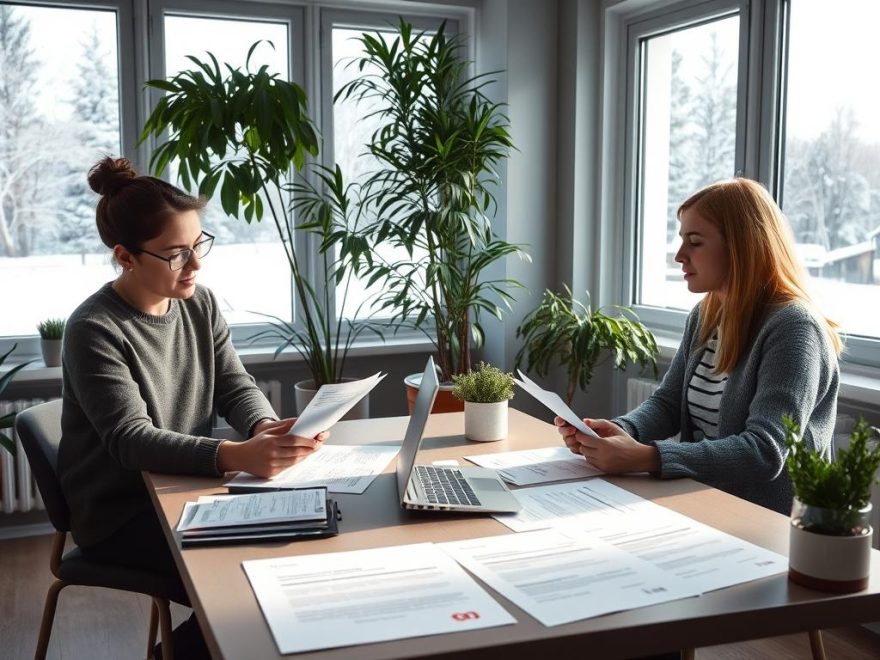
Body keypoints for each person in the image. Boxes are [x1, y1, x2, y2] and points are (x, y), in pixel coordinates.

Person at [58, 156, 327, 658]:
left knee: (299, 561)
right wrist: (234, 455)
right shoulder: (94, 329)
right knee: (251, 590)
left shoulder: (198, 303)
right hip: (123, 513)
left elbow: (233, 383)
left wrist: (266, 427)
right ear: (125, 256)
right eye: (177, 253)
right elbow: (129, 440)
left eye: (199, 244)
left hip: (189, 491)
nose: (196, 265)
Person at [556, 178, 841, 515]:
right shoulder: (707, 313)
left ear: (741, 246)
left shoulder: (794, 328)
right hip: (707, 503)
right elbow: (668, 402)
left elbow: (765, 451)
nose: (679, 256)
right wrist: (619, 432)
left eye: (694, 242)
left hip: (770, 524)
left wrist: (648, 456)